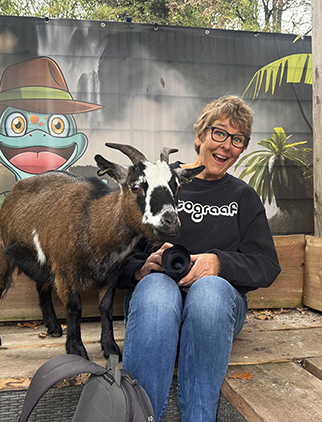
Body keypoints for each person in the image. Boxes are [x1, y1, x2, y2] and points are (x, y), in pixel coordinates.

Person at [118, 95, 281, 422]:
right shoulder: (160, 182)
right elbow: (116, 252)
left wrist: (219, 263)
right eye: (219, 133)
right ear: (199, 136)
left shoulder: (243, 197)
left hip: (216, 309)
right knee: (157, 290)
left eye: (238, 139)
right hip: (157, 304)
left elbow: (266, 264)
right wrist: (141, 269)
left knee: (210, 290)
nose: (226, 145)